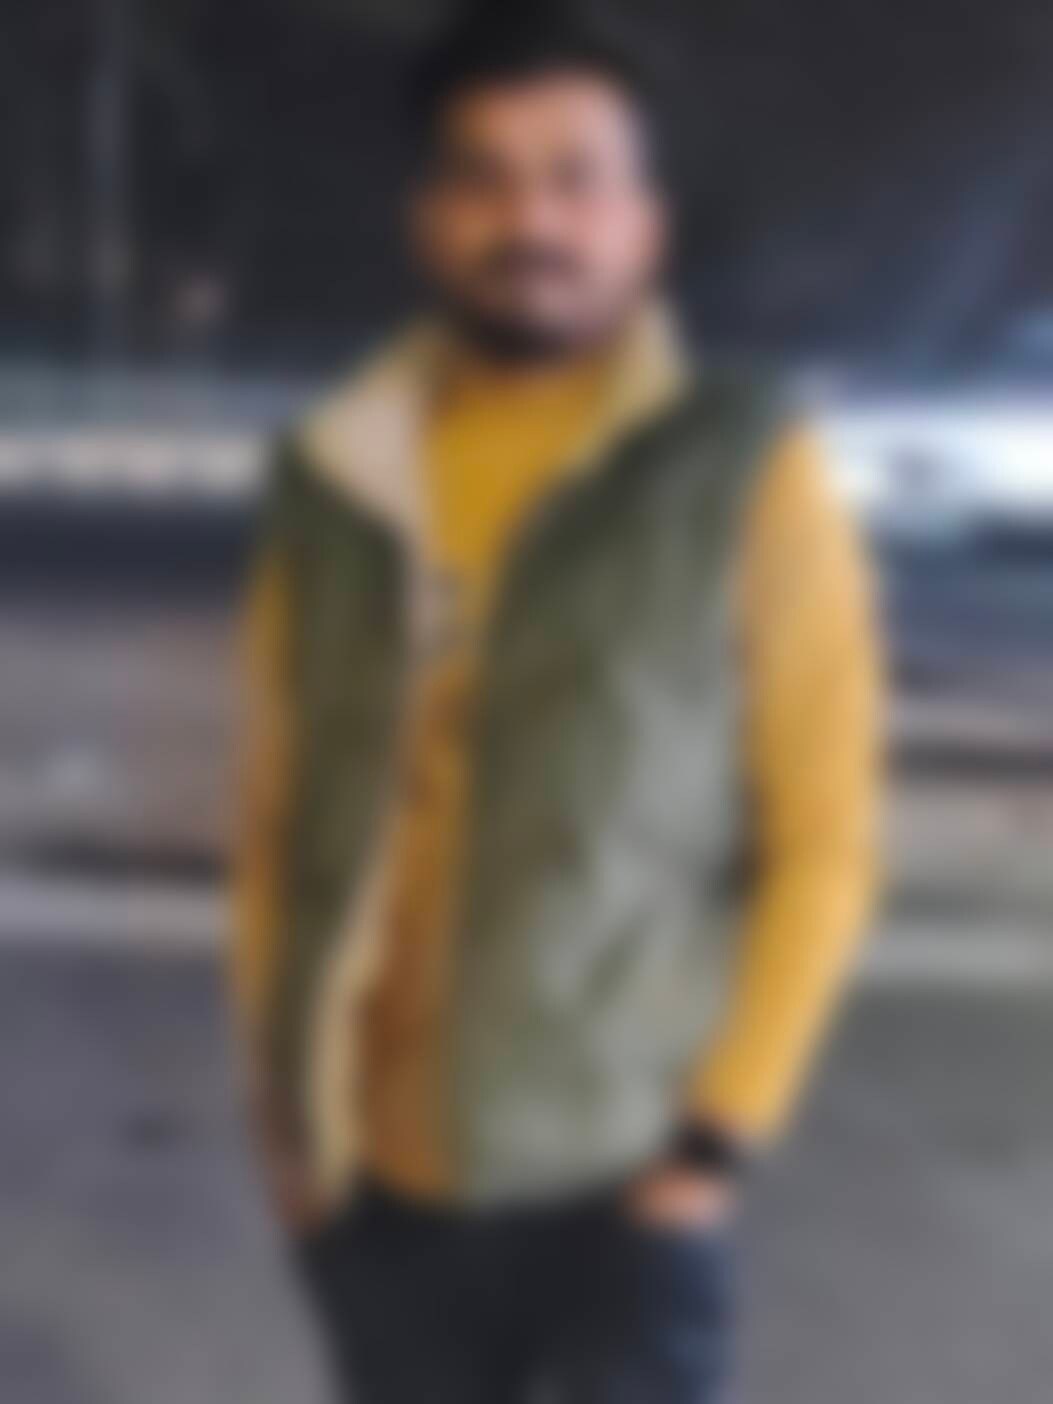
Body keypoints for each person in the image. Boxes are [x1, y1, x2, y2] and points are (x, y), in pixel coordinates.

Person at [230, 4, 882, 1400]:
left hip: (617, 1188)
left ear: (644, 225)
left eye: (577, 178)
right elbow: (279, 824)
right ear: (427, 218)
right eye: (484, 176)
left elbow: (822, 843)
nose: (530, 219)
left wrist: (708, 1153)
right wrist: (284, 1118)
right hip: (373, 1194)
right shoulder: (335, 477)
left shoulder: (736, 465)